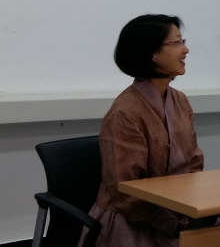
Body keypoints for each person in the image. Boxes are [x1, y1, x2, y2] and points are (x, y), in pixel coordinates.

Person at [82, 14, 204, 247]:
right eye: (177, 43)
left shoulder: (180, 101)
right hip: (134, 219)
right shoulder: (125, 112)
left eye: (183, 41)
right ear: (151, 53)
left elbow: (194, 161)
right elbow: (126, 193)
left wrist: (192, 209)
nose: (185, 50)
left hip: (179, 210)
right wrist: (172, 222)